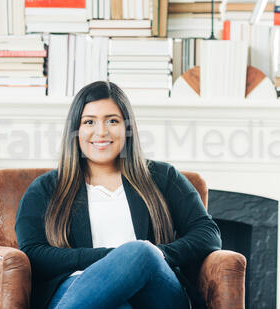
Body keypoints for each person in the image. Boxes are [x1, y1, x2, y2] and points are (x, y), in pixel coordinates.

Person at [15, 81, 222, 309]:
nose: (101, 131)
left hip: (155, 292)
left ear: (127, 127)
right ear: (76, 129)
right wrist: (114, 258)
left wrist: (156, 254)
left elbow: (208, 234)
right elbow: (33, 252)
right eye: (89, 122)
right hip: (77, 289)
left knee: (141, 252)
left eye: (112, 121)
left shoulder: (163, 177)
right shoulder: (46, 188)